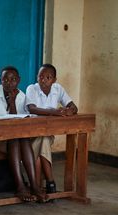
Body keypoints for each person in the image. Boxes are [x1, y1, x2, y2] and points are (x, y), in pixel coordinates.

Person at [0, 66, 42, 202]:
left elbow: (19, 124)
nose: (9, 82)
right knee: (16, 139)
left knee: (20, 138)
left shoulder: (22, 97)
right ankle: (21, 186)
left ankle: (33, 185)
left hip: (12, 139)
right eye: (5, 79)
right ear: (0, 80)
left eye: (13, 79)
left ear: (19, 80)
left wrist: (12, 103)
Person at [25, 63, 78, 194]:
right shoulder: (32, 88)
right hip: (30, 134)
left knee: (44, 140)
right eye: (41, 76)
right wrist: (55, 112)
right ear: (37, 77)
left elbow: (73, 106)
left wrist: (70, 110)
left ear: (54, 80)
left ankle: (37, 187)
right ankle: (50, 181)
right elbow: (32, 108)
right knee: (43, 142)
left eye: (48, 77)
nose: (43, 80)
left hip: (48, 134)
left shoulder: (58, 89)